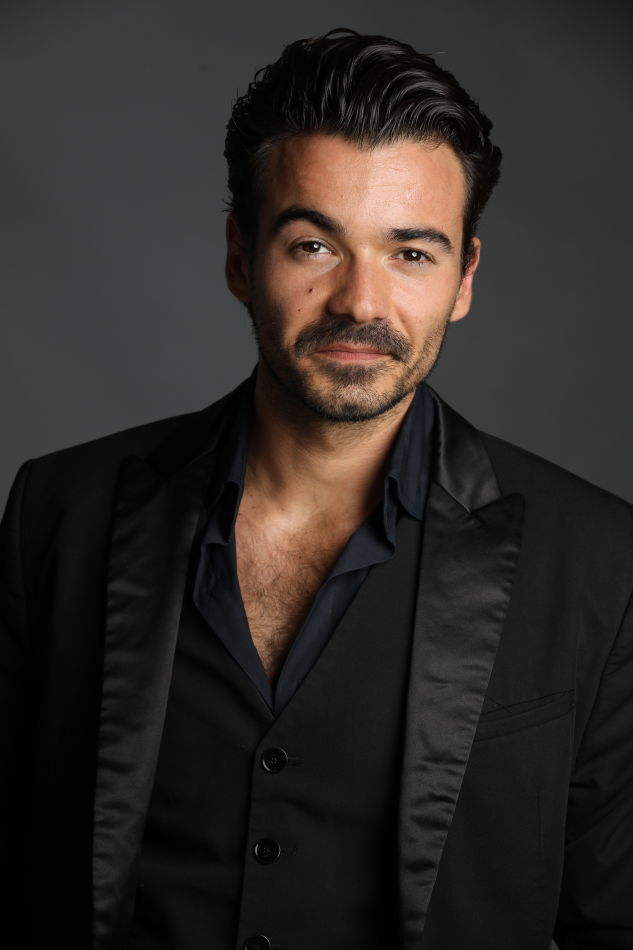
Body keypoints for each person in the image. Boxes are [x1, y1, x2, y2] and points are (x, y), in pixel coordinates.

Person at [1, 27, 632, 950]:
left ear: (463, 278)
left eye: (410, 254)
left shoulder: (599, 563)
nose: (360, 303)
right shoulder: (58, 514)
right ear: (239, 257)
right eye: (313, 245)